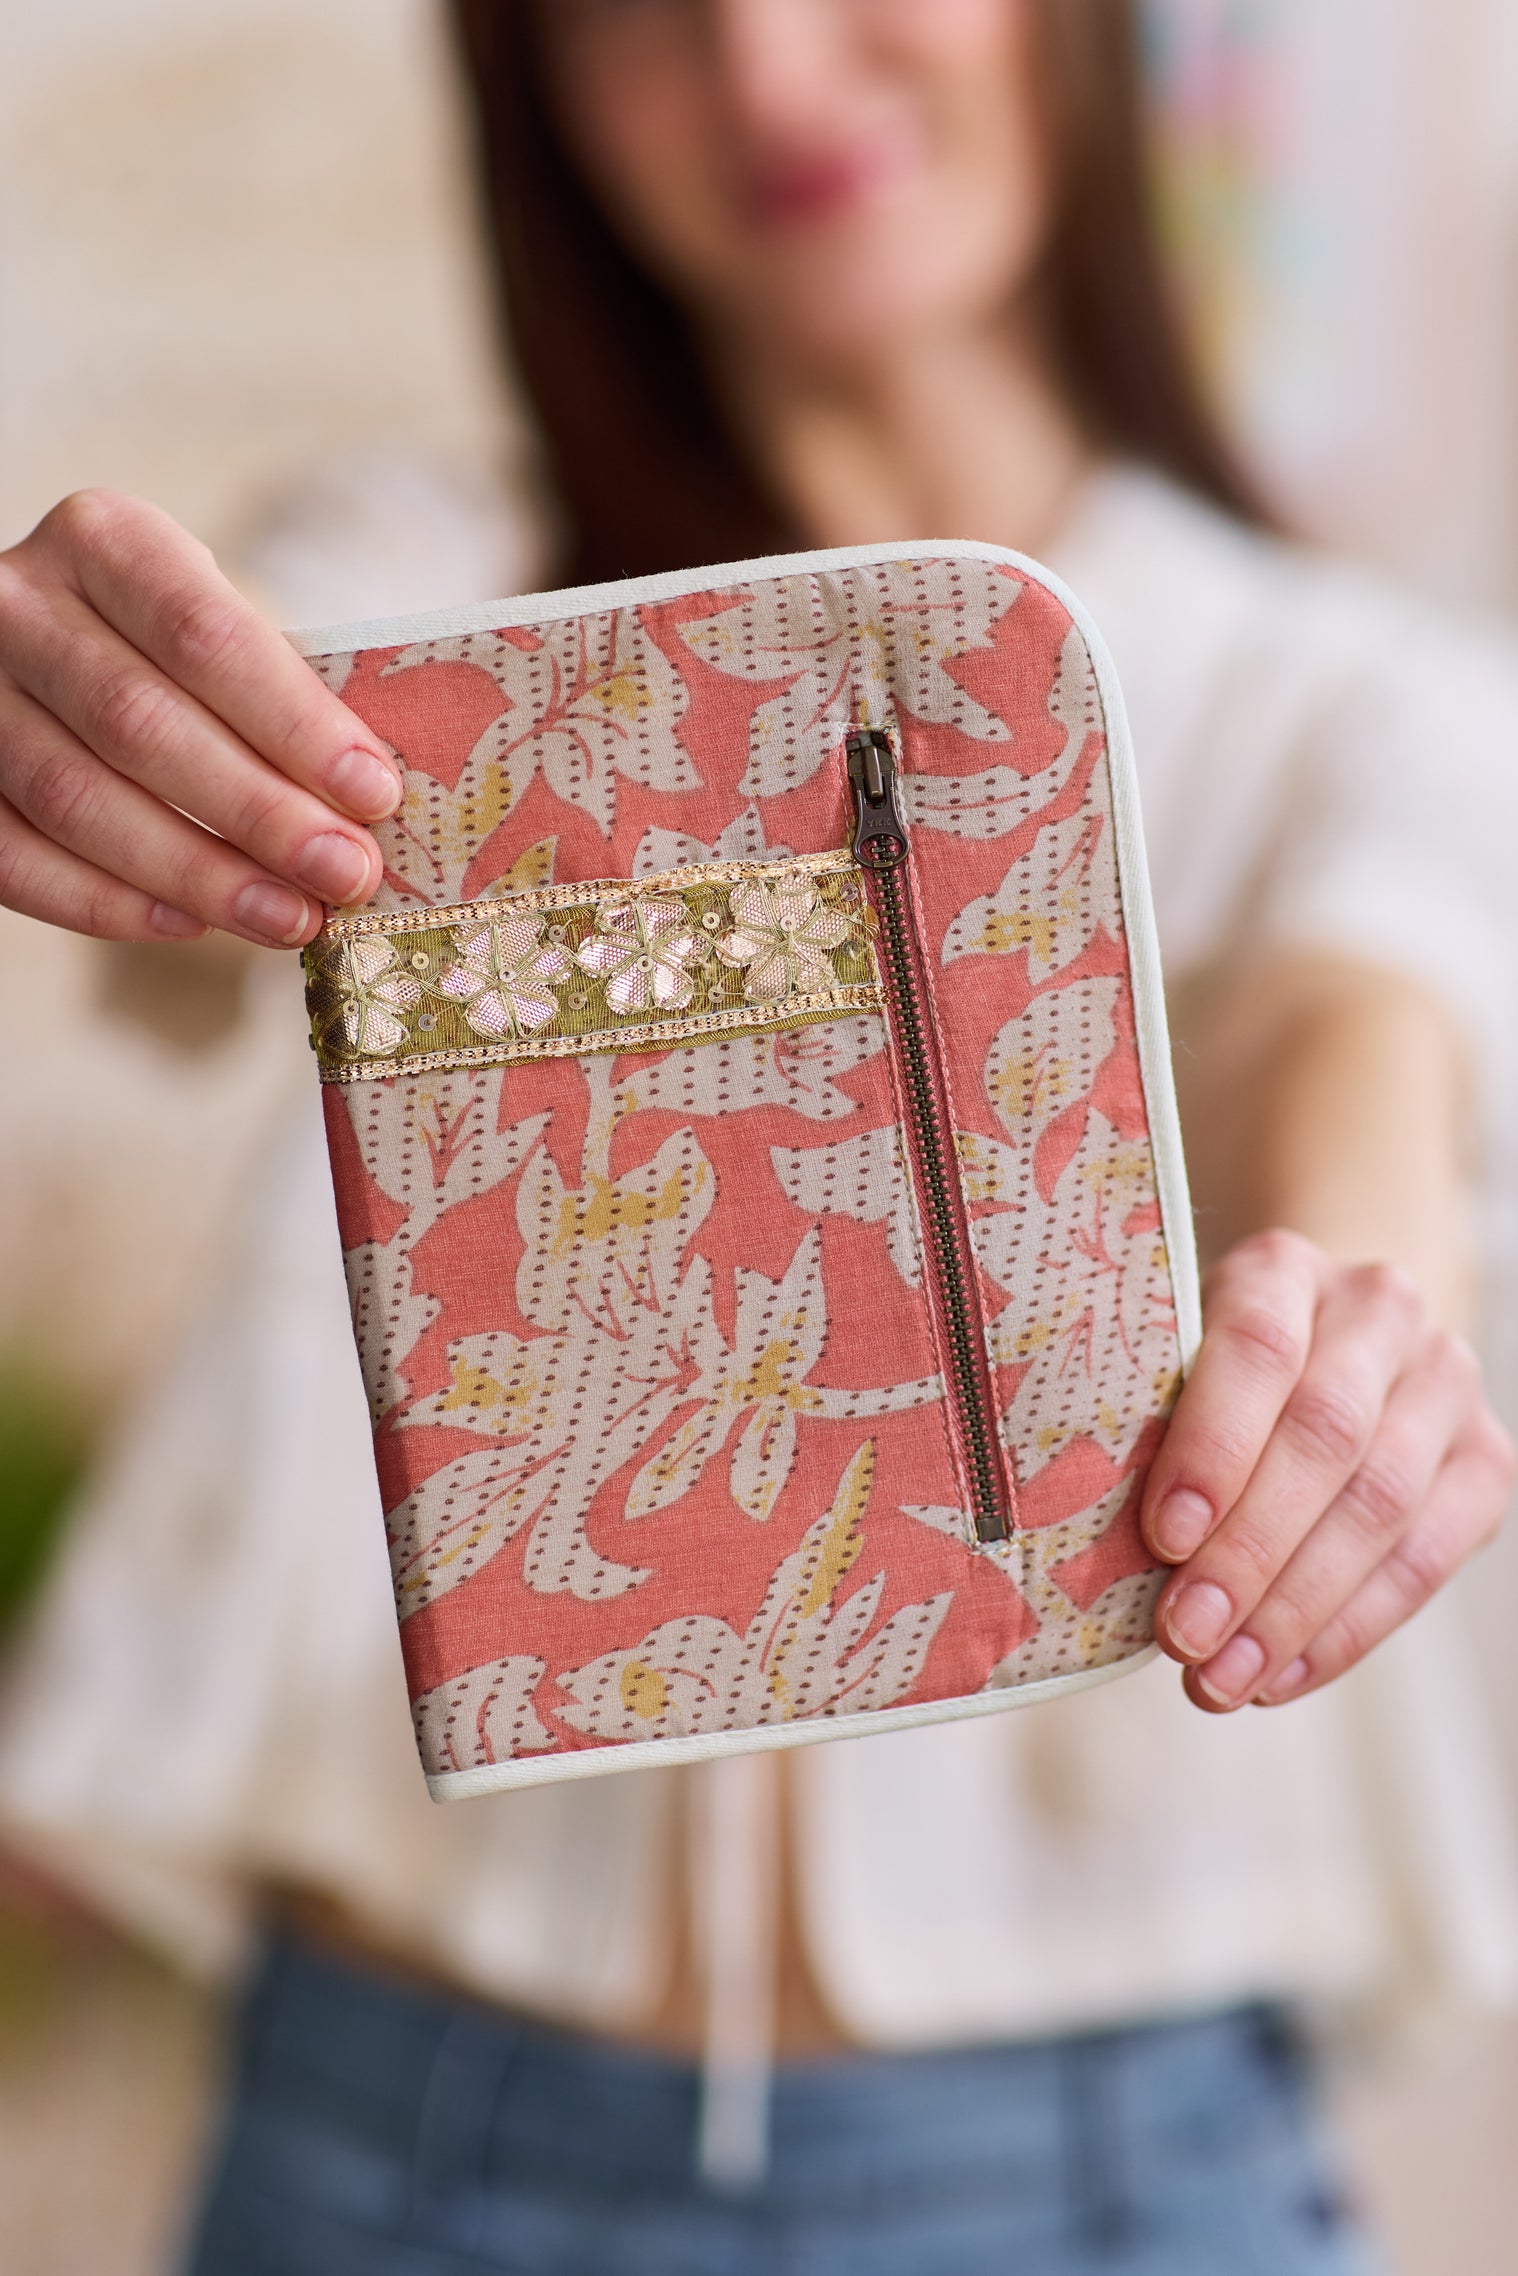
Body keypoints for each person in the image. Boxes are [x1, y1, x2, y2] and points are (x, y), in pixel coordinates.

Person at [0, 1, 1515, 2269]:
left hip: (1115, 2184)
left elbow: (1361, 1023)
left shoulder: (1364, 698)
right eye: (642, 12)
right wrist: (123, 731)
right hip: (384, 2140)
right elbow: (255, 785)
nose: (770, 73)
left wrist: (1357, 1321)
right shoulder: (427, 571)